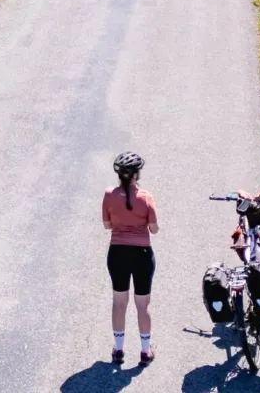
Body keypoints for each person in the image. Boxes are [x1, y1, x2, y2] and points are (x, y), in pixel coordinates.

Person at [102, 150, 158, 366]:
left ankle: (118, 349)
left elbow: (107, 225)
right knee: (142, 305)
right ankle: (145, 351)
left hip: (117, 253)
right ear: (136, 175)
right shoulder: (146, 197)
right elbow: (154, 230)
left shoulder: (109, 195)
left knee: (119, 302)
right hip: (142, 255)